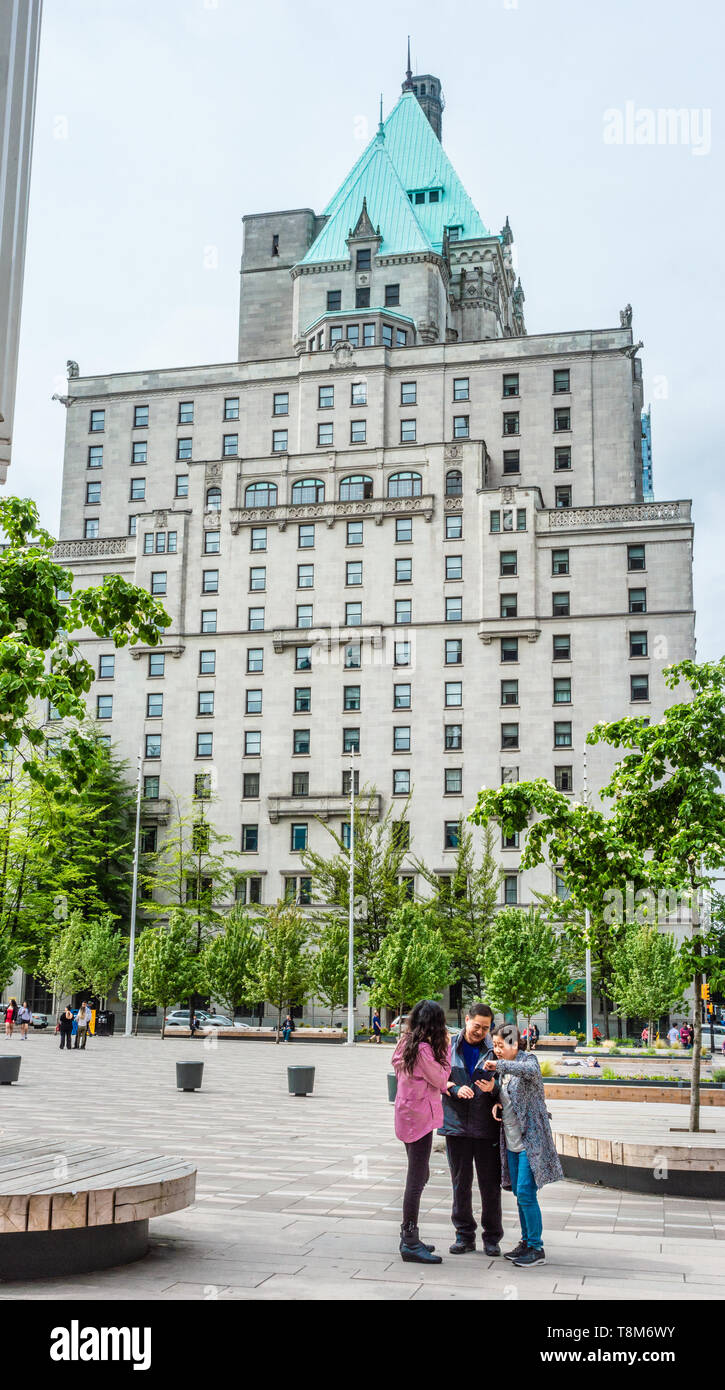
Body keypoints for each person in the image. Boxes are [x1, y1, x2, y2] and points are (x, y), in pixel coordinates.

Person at [479, 1022, 563, 1268]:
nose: (496, 1050)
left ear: (514, 1043)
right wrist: (498, 1101)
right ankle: (526, 1242)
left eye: (500, 1045)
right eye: (494, 1046)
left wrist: (499, 1065)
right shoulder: (504, 1072)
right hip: (512, 1142)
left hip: (531, 1142)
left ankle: (536, 1248)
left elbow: (529, 1072)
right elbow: (510, 1096)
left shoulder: (529, 1060)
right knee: (519, 1193)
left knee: (526, 1192)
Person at [439, 1002, 503, 1256]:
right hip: (456, 1125)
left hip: (487, 1126)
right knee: (460, 1183)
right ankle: (464, 1236)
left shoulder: (494, 1050)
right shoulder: (447, 1047)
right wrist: (452, 1087)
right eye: (477, 1026)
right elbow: (436, 1077)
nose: (480, 1032)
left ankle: (492, 1238)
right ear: (466, 1020)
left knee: (490, 1185)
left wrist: (494, 1090)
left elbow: (507, 1082)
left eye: (485, 1028)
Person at [392, 1000, 451, 1265]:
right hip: (421, 1118)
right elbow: (441, 1078)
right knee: (416, 1179)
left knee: (421, 1172)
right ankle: (409, 1239)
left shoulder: (406, 1044)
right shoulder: (425, 1051)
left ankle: (410, 1236)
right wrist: (447, 1048)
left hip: (407, 1115)